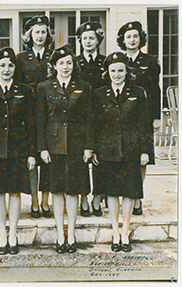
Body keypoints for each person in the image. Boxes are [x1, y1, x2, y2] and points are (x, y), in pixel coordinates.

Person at [0, 47, 37, 255]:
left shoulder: (25, 90)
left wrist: (31, 153)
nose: (6, 69)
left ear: (15, 68)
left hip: (18, 149)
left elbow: (31, 124)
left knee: (14, 191)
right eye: (2, 65)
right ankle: (2, 234)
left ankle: (13, 234)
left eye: (10, 65)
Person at [37, 45, 93, 254]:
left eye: (69, 62)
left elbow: (89, 119)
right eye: (61, 63)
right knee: (57, 190)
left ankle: (71, 233)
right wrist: (42, 148)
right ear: (54, 66)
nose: (65, 67)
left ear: (74, 64)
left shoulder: (83, 87)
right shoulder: (44, 87)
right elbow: (40, 120)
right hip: (53, 148)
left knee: (73, 192)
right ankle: (60, 233)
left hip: (77, 147)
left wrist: (89, 146)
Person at [91, 52, 150, 252]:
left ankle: (125, 231)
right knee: (112, 192)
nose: (117, 74)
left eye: (120, 70)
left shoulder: (138, 92)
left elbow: (144, 124)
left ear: (127, 72)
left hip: (131, 150)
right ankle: (115, 231)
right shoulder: (99, 94)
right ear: (107, 72)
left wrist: (145, 151)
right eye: (113, 70)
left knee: (128, 192)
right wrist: (94, 150)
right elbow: (94, 126)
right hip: (107, 150)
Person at [117, 21, 161, 216]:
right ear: (123, 40)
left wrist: (156, 118)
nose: (132, 40)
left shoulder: (150, 62)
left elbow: (155, 91)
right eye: (128, 37)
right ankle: (123, 194)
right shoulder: (118, 60)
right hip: (122, 118)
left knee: (141, 158)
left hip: (143, 117)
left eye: (135, 36)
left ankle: (136, 198)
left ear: (140, 38)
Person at [16, 15, 53, 219]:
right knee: (31, 158)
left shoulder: (53, 57)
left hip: (49, 113)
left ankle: (46, 200)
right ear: (29, 35)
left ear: (48, 35)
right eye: (36, 32)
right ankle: (34, 201)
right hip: (28, 114)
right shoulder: (21, 59)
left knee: (46, 157)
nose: (40, 36)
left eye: (43, 32)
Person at [75, 21, 106, 217]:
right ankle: (82, 198)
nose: (88, 41)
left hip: (103, 117)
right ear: (80, 41)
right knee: (80, 159)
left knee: (100, 159)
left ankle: (97, 198)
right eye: (84, 38)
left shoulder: (106, 61)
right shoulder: (74, 62)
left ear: (98, 40)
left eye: (91, 38)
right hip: (79, 117)